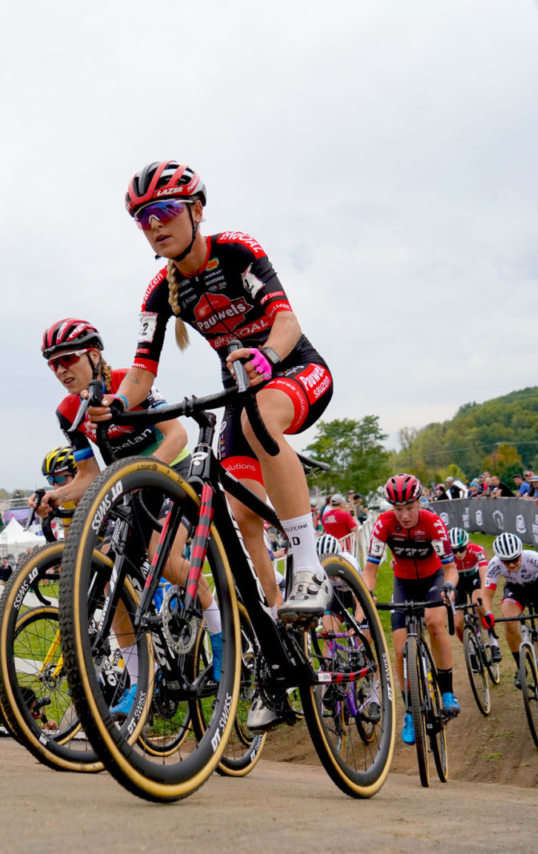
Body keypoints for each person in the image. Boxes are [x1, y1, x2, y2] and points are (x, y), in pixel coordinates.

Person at [104, 160, 336, 637]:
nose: (155, 226)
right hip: (241, 390)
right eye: (142, 218)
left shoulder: (235, 251)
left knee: (258, 422)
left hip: (295, 368)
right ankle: (276, 621)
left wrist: (268, 355)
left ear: (197, 210)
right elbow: (142, 371)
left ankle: (310, 567)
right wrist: (117, 408)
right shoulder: (160, 293)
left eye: (165, 210)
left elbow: (288, 322)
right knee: (243, 508)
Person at [32, 317, 221, 719]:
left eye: (67, 358)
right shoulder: (69, 411)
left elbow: (177, 437)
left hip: (174, 474)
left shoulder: (128, 383)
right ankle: (139, 684)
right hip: (131, 486)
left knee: (168, 562)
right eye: (52, 364)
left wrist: (142, 472)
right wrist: (56, 495)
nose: (61, 369)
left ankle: (224, 649)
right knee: (110, 579)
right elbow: (87, 477)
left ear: (93, 354)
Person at [365, 474, 460, 744]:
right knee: (398, 649)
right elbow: (370, 569)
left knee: (433, 621)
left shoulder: (433, 523)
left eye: (409, 508)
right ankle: (410, 711)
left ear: (420, 502)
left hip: (433, 580)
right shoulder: (383, 524)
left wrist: (449, 587)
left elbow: (451, 569)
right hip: (403, 582)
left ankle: (447, 693)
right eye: (398, 509)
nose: (404, 515)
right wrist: (367, 593)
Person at [474, 533, 538, 696]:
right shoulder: (495, 564)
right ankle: (521, 668)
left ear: (520, 553)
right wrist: (488, 613)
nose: (511, 565)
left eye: (515, 559)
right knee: (509, 622)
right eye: (506, 561)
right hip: (515, 591)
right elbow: (487, 594)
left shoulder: (533, 558)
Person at [448, 527, 501, 663]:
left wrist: (483, 593)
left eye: (461, 549)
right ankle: (471, 651)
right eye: (454, 551)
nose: (458, 554)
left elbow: (484, 573)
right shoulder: (447, 556)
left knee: (478, 604)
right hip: (458, 582)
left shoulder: (476, 550)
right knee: (458, 623)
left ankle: (493, 642)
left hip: (474, 579)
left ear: (467, 546)